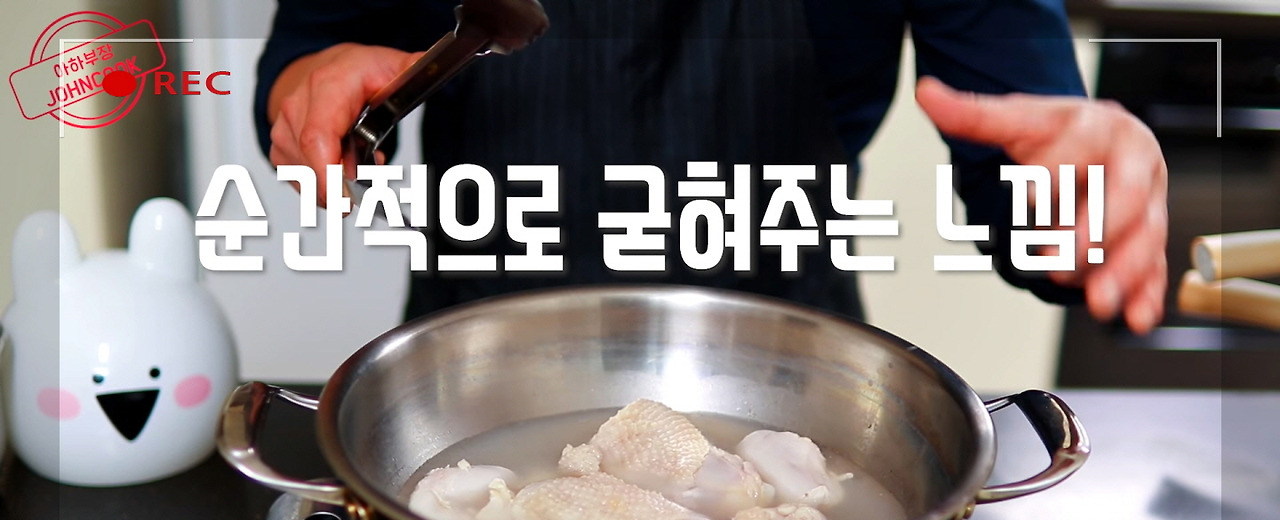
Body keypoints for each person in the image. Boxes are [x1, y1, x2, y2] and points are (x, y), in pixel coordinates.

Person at [255, 0, 1168, 334]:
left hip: (793, 405)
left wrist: (1086, 206)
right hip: (467, 383)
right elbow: (306, 55)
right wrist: (308, 87)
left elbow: (1039, 184)